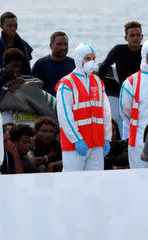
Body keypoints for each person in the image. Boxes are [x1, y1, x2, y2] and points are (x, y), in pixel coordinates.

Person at [56, 42, 112, 172]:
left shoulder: (98, 82)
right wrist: (76, 139)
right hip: (75, 145)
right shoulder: (67, 83)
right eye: (88, 58)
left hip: (96, 143)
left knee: (95, 184)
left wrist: (107, 138)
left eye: (93, 59)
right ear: (79, 59)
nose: (91, 62)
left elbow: (106, 112)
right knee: (73, 184)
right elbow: (64, 115)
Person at [119, 39, 148, 168]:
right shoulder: (131, 82)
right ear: (145, 56)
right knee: (142, 180)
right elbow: (124, 111)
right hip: (141, 140)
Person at [98, 21, 144, 128]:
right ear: (126, 38)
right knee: (123, 123)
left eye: (138, 35)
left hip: (143, 94)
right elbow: (103, 67)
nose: (135, 38)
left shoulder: (145, 51)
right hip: (124, 93)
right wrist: (100, 88)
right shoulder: (118, 50)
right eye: (132, 35)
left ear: (142, 36)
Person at [31, 31, 75, 96]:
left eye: (65, 44)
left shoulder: (74, 64)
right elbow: (33, 87)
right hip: (46, 103)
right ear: (51, 46)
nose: (63, 47)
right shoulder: (40, 64)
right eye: (59, 44)